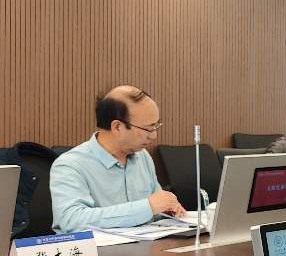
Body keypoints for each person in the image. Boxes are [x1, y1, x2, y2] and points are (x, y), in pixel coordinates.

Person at [50, 86, 186, 234]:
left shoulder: (142, 156)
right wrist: (147, 207)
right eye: (148, 129)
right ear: (117, 127)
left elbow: (156, 206)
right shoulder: (70, 165)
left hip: (144, 244)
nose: (153, 136)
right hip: (96, 248)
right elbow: (72, 220)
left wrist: (168, 209)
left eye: (156, 127)